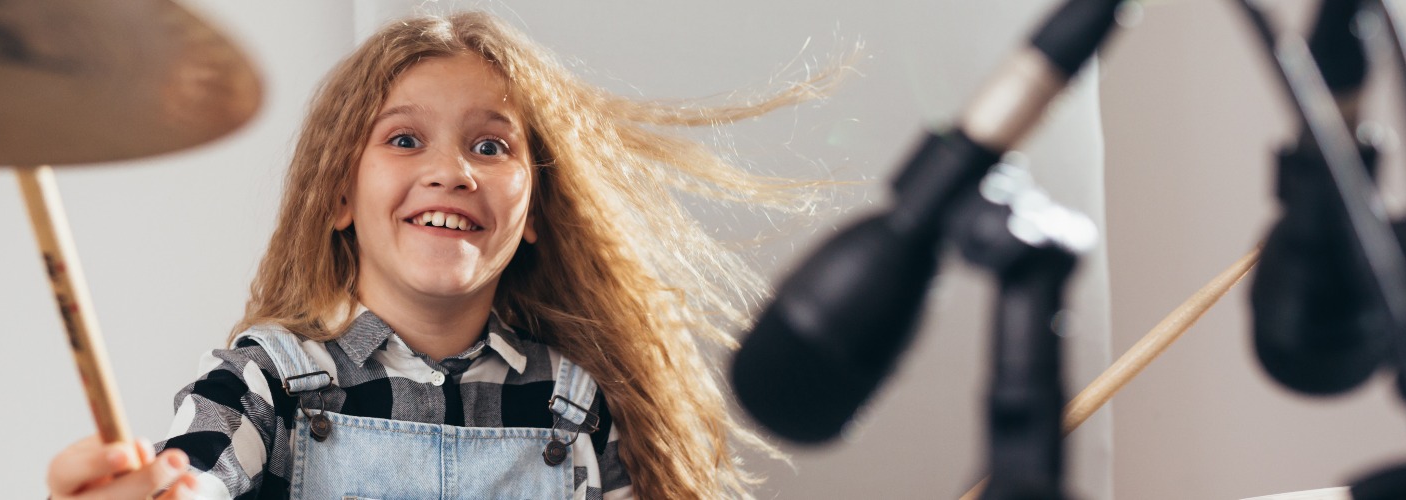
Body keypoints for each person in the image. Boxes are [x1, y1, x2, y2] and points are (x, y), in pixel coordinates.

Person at [46, 11, 835, 499]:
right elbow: (196, 475)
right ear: (339, 197)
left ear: (532, 214)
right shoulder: (265, 382)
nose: (453, 170)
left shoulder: (575, 402)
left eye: (491, 146)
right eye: (404, 138)